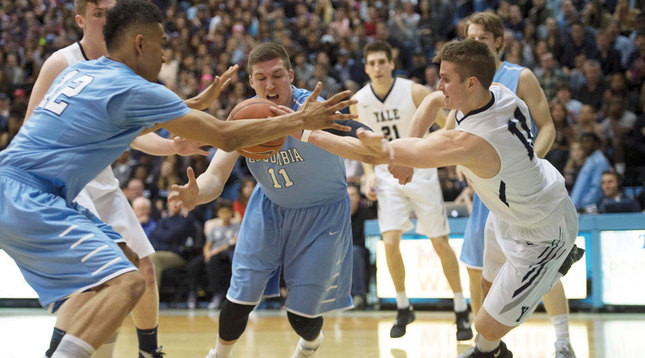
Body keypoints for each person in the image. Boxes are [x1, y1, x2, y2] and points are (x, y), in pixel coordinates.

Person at [0, 0, 355, 356]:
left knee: (126, 260)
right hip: (32, 197)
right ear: (140, 43)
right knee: (127, 283)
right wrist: (297, 121)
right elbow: (226, 136)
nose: (166, 55)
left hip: (14, 184)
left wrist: (194, 103)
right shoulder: (136, 89)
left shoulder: (79, 73)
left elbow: (134, 119)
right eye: (161, 42)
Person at [358, 39, 581, 358]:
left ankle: (550, 277)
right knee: (488, 290)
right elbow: (433, 102)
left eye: (446, 79)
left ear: (471, 83)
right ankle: (490, 348)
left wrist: (307, 132)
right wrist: (408, 152)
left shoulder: (476, 137)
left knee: (487, 324)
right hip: (509, 209)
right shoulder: (497, 94)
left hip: (542, 226)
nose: (439, 85)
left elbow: (409, 148)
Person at [170, 42, 364, 358]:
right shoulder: (245, 117)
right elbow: (215, 177)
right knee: (239, 299)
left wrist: (384, 152)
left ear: (291, 75)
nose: (270, 85)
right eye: (261, 78)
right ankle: (218, 354)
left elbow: (354, 137)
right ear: (251, 82)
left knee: (301, 316)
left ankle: (311, 343)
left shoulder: (313, 107)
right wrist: (196, 194)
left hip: (323, 212)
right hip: (270, 206)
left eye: (277, 75)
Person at [352, 40, 471, 340]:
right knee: (389, 242)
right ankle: (403, 307)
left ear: (392, 64)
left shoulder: (414, 91)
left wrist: (451, 156)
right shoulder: (358, 101)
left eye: (382, 61)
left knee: (439, 242)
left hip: (421, 169)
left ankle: (461, 308)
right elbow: (363, 146)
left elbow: (451, 122)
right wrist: (368, 176)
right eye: (372, 63)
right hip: (386, 172)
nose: (377, 67)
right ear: (365, 68)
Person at [570, 132, 611, 212]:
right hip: (577, 207)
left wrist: (584, 205)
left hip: (587, 208)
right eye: (583, 142)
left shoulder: (600, 161)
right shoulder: (590, 160)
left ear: (596, 144)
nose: (584, 145)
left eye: (588, 141)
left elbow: (597, 186)